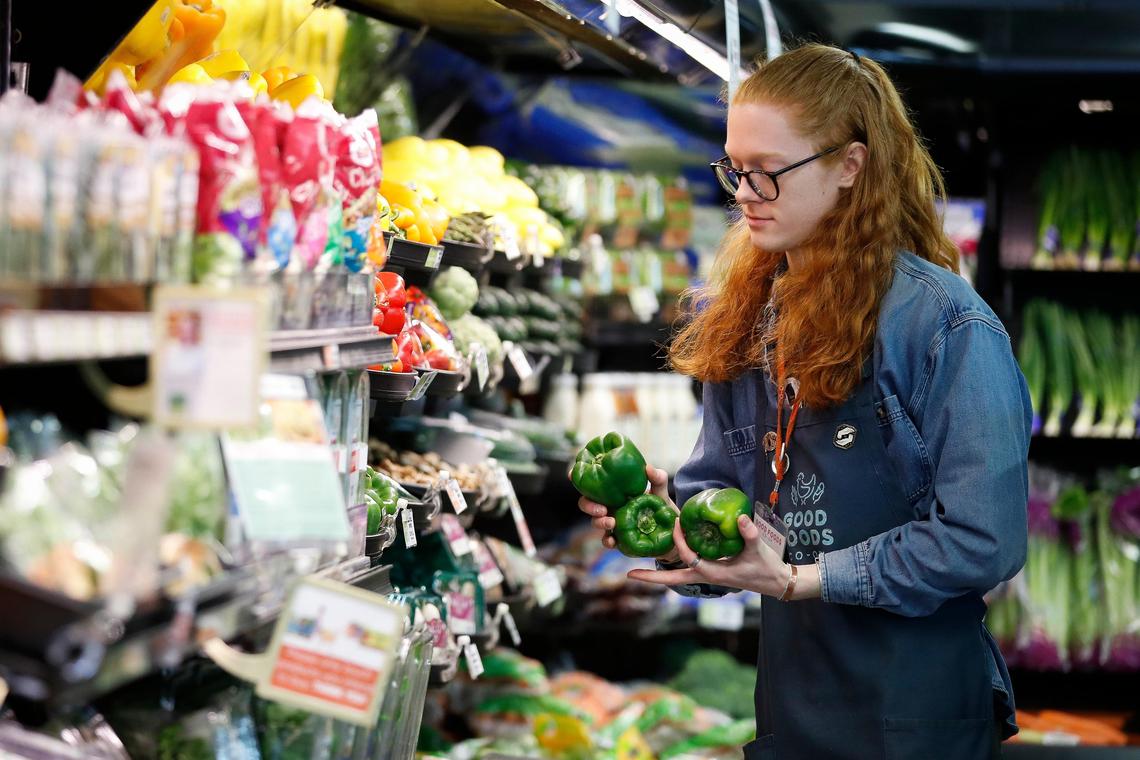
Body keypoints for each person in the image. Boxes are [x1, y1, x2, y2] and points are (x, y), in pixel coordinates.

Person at [576, 44, 1030, 759]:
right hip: (791, 710)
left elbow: (984, 539)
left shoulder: (945, 327)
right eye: (735, 168)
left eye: (769, 172)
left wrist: (799, 580)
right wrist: (670, 527)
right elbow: (726, 499)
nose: (745, 192)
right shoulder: (751, 317)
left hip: (915, 719)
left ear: (850, 167)